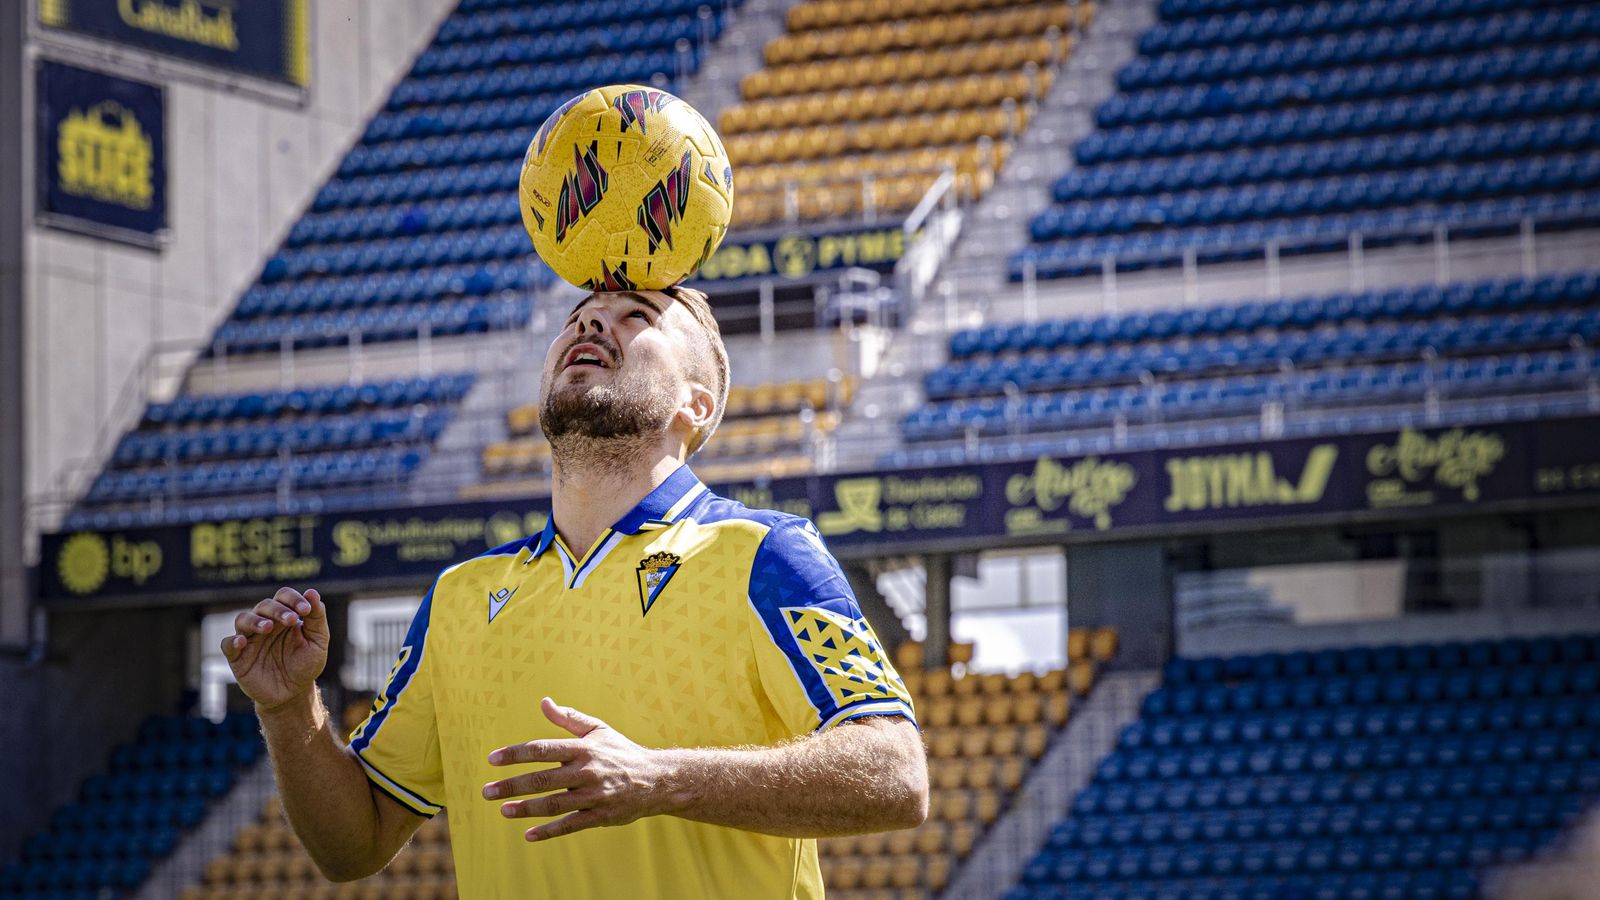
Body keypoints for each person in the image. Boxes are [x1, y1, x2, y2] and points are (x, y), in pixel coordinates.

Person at [222, 285, 928, 899]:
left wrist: (660, 778)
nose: (591, 325)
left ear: (696, 404)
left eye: (636, 316)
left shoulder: (764, 554)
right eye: (580, 316)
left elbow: (898, 775)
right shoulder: (460, 596)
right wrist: (289, 711)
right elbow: (354, 846)